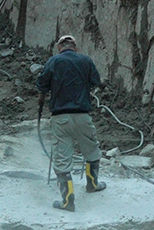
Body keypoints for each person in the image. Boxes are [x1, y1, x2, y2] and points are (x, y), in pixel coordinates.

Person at [36, 35, 106, 212]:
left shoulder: (53, 61)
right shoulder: (85, 60)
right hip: (83, 115)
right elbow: (96, 81)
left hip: (61, 118)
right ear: (75, 47)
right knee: (91, 150)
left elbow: (41, 84)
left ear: (59, 47)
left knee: (61, 159)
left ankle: (68, 201)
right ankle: (92, 184)